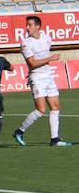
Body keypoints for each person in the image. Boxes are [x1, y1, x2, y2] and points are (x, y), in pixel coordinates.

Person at [13, 16, 72, 147]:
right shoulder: (26, 43)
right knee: (40, 110)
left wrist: (48, 60)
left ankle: (55, 139)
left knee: (55, 106)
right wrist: (51, 58)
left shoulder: (46, 38)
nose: (27, 27)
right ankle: (19, 131)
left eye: (30, 25)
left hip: (48, 76)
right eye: (27, 25)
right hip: (37, 77)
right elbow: (32, 63)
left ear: (38, 26)